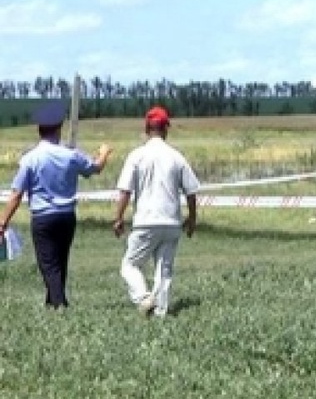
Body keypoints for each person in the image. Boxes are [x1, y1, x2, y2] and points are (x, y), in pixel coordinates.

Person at [0, 101, 112, 310]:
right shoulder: (71, 155)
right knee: (60, 261)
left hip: (43, 217)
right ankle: (53, 302)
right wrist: (104, 152)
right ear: (58, 128)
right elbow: (95, 168)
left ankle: (60, 304)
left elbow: (17, 193)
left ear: (39, 129)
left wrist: (3, 221)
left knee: (48, 264)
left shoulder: (30, 159)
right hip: (67, 216)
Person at [113, 106, 200, 318]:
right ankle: (160, 312)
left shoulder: (137, 156)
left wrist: (118, 217)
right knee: (164, 268)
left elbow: (125, 190)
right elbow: (191, 191)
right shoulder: (176, 157)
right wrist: (192, 218)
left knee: (130, 264)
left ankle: (143, 298)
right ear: (165, 129)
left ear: (146, 128)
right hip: (171, 221)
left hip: (145, 221)